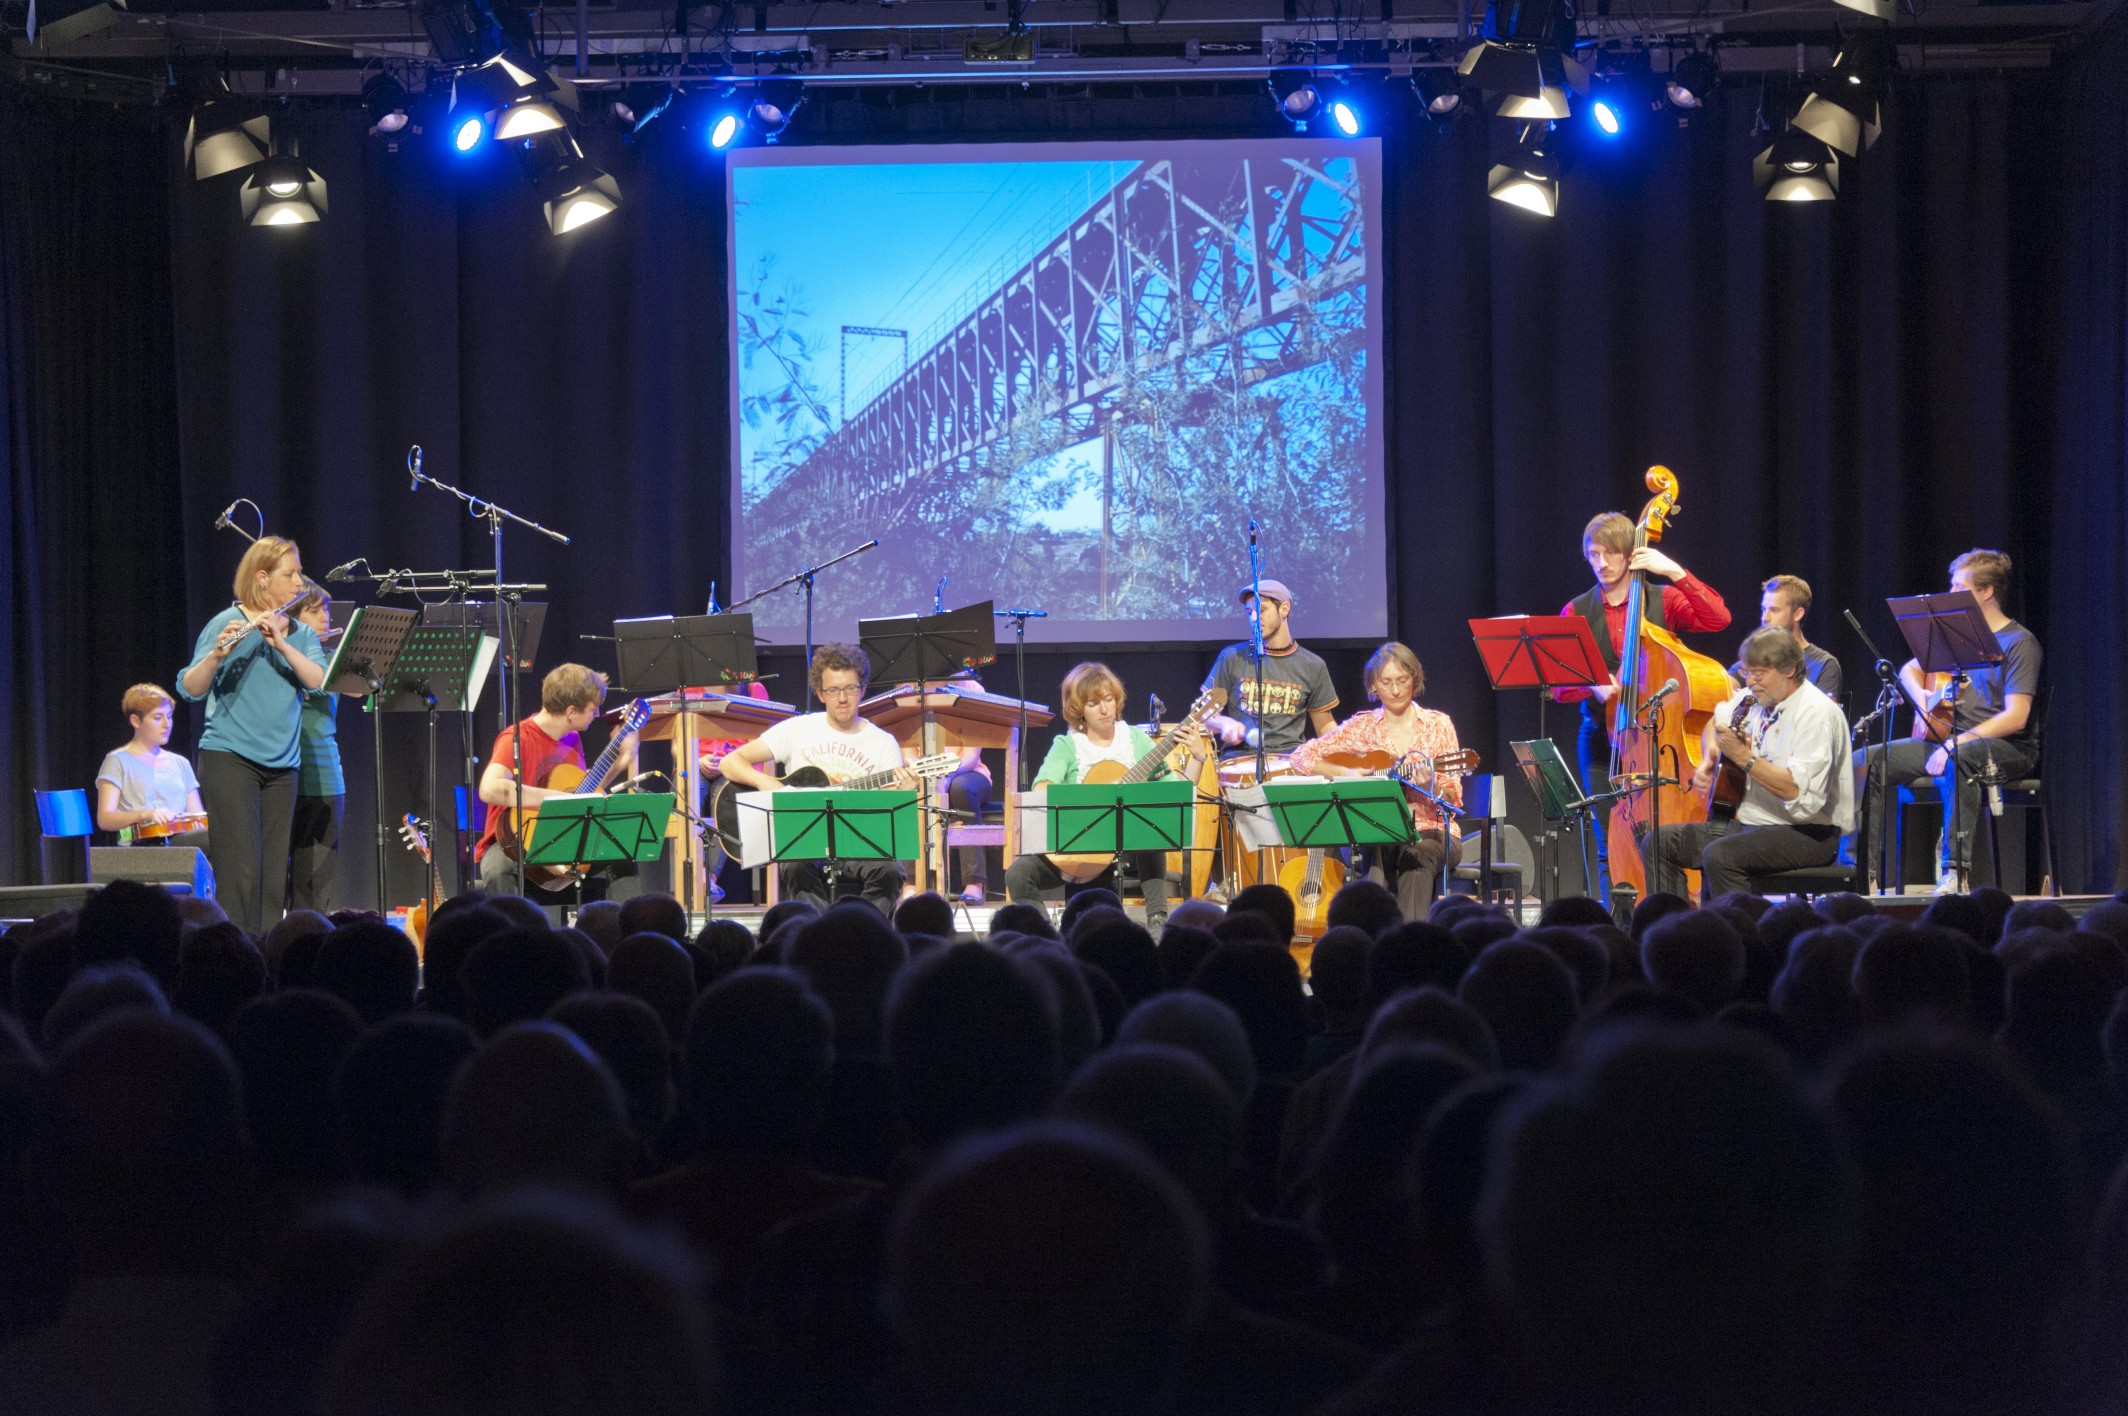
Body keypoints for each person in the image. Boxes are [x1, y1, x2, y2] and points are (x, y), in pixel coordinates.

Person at [1555, 512, 1731, 889]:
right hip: (1604, 743)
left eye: (1610, 554)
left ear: (1631, 553)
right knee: (1609, 843)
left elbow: (1717, 619)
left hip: (1662, 741)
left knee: (1673, 836)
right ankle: (1620, 928)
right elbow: (1558, 686)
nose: (1601, 564)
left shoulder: (1662, 600)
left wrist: (1675, 571)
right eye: (1593, 554)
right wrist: (1592, 685)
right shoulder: (1577, 610)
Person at [1853, 548, 2041, 895]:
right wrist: (1922, 697)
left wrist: (1959, 741)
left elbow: (2016, 717)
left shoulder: (2019, 643)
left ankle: (1955, 872)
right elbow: (1910, 669)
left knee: (1960, 759)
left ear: (1985, 592)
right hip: (1947, 741)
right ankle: (1861, 874)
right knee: (1864, 762)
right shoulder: (1957, 635)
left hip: (2006, 748)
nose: (1949, 594)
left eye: (1957, 587)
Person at [177, 536, 328, 935]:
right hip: (230, 758)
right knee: (241, 869)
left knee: (272, 873)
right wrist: (216, 655)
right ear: (262, 578)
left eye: (299, 572)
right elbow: (190, 688)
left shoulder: (301, 634)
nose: (300, 582)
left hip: (282, 767)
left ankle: (265, 956)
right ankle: (236, 958)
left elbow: (318, 682)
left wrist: (280, 644)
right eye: (290, 574)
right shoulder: (223, 623)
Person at [1647, 626, 1856, 900]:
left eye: (1759, 673)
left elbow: (1799, 794)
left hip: (1808, 834)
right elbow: (1715, 722)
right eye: (1747, 672)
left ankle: (1740, 937)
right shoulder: (1751, 700)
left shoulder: (1817, 713)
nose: (1751, 681)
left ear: (1789, 669)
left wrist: (1743, 757)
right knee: (1658, 843)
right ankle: (1674, 933)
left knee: (1720, 855)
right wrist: (1710, 757)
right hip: (1751, 826)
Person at [717, 643, 915, 916]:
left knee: (891, 871)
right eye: (833, 690)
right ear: (821, 694)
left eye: (850, 688)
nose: (842, 698)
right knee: (795, 867)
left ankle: (864, 932)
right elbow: (731, 762)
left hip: (859, 841)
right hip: (805, 840)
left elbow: (891, 814)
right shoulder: (798, 729)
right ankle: (822, 936)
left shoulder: (883, 742)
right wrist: (770, 784)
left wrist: (905, 793)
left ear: (863, 690)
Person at [1001, 662, 1197, 931]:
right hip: (1080, 849)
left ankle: (1158, 921)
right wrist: (1097, 795)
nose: (1105, 709)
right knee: (1018, 874)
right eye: (1094, 703)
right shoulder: (1068, 745)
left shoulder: (1136, 741)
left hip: (1128, 848)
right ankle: (1044, 933)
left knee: (1150, 826)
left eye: (1109, 699)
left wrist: (1198, 756)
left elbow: (1174, 791)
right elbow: (1042, 788)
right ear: (1079, 708)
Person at [1288, 642, 1465, 917]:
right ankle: (1374, 936)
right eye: (1386, 682)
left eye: (1402, 681)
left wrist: (1432, 785)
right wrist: (1345, 774)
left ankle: (1408, 941)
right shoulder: (1363, 727)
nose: (1395, 690)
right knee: (1378, 842)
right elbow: (1301, 755)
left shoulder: (1438, 725)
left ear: (1414, 680)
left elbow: (1454, 797)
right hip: (1375, 832)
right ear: (1373, 686)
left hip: (1433, 831)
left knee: (1416, 853)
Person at [472, 663, 639, 895]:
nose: (597, 715)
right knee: (498, 868)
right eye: (593, 709)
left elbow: (581, 796)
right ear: (571, 711)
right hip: (512, 844)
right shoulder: (517, 738)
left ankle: (627, 929)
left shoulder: (571, 740)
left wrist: (622, 759)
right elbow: (489, 788)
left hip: (560, 837)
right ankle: (510, 931)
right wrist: (557, 799)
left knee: (620, 851)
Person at [1200, 579, 1339, 757]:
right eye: (1249, 612)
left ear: (1284, 609)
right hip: (1239, 761)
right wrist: (1223, 723)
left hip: (1292, 764)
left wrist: (1347, 758)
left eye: (1261, 610)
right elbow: (1201, 716)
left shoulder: (1312, 665)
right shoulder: (1231, 657)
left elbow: (1325, 727)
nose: (1253, 618)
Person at [287, 582, 343, 913]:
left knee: (314, 888)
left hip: (325, 777)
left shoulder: (332, 658)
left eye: (326, 609)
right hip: (283, 772)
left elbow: (359, 689)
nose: (325, 617)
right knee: (274, 881)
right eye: (315, 610)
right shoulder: (277, 654)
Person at [94, 684, 207, 843]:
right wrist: (146, 815)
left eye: (169, 716)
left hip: (181, 843)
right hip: (140, 846)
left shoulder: (181, 763)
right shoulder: (118, 760)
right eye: (157, 717)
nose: (166, 724)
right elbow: (105, 819)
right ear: (135, 721)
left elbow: (197, 819)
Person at [1730, 574, 1844, 703]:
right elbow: (1724, 688)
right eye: (1763, 609)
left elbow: (1822, 716)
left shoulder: (1824, 664)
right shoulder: (1757, 657)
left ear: (1797, 614)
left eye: (1774, 610)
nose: (1764, 618)